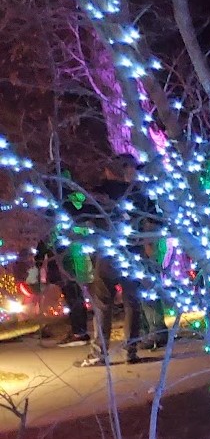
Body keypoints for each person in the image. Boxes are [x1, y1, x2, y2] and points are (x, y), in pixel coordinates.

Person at [78, 154, 151, 367]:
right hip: (132, 253)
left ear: (110, 170)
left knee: (102, 304)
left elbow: (83, 215)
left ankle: (100, 352)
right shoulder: (137, 193)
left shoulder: (100, 192)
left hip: (107, 254)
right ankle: (131, 351)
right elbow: (148, 219)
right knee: (132, 302)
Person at [33, 237, 90, 344]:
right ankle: (79, 331)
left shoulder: (55, 232)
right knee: (74, 300)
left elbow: (44, 246)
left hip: (67, 270)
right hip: (70, 269)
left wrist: (39, 259)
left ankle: (79, 332)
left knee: (74, 300)